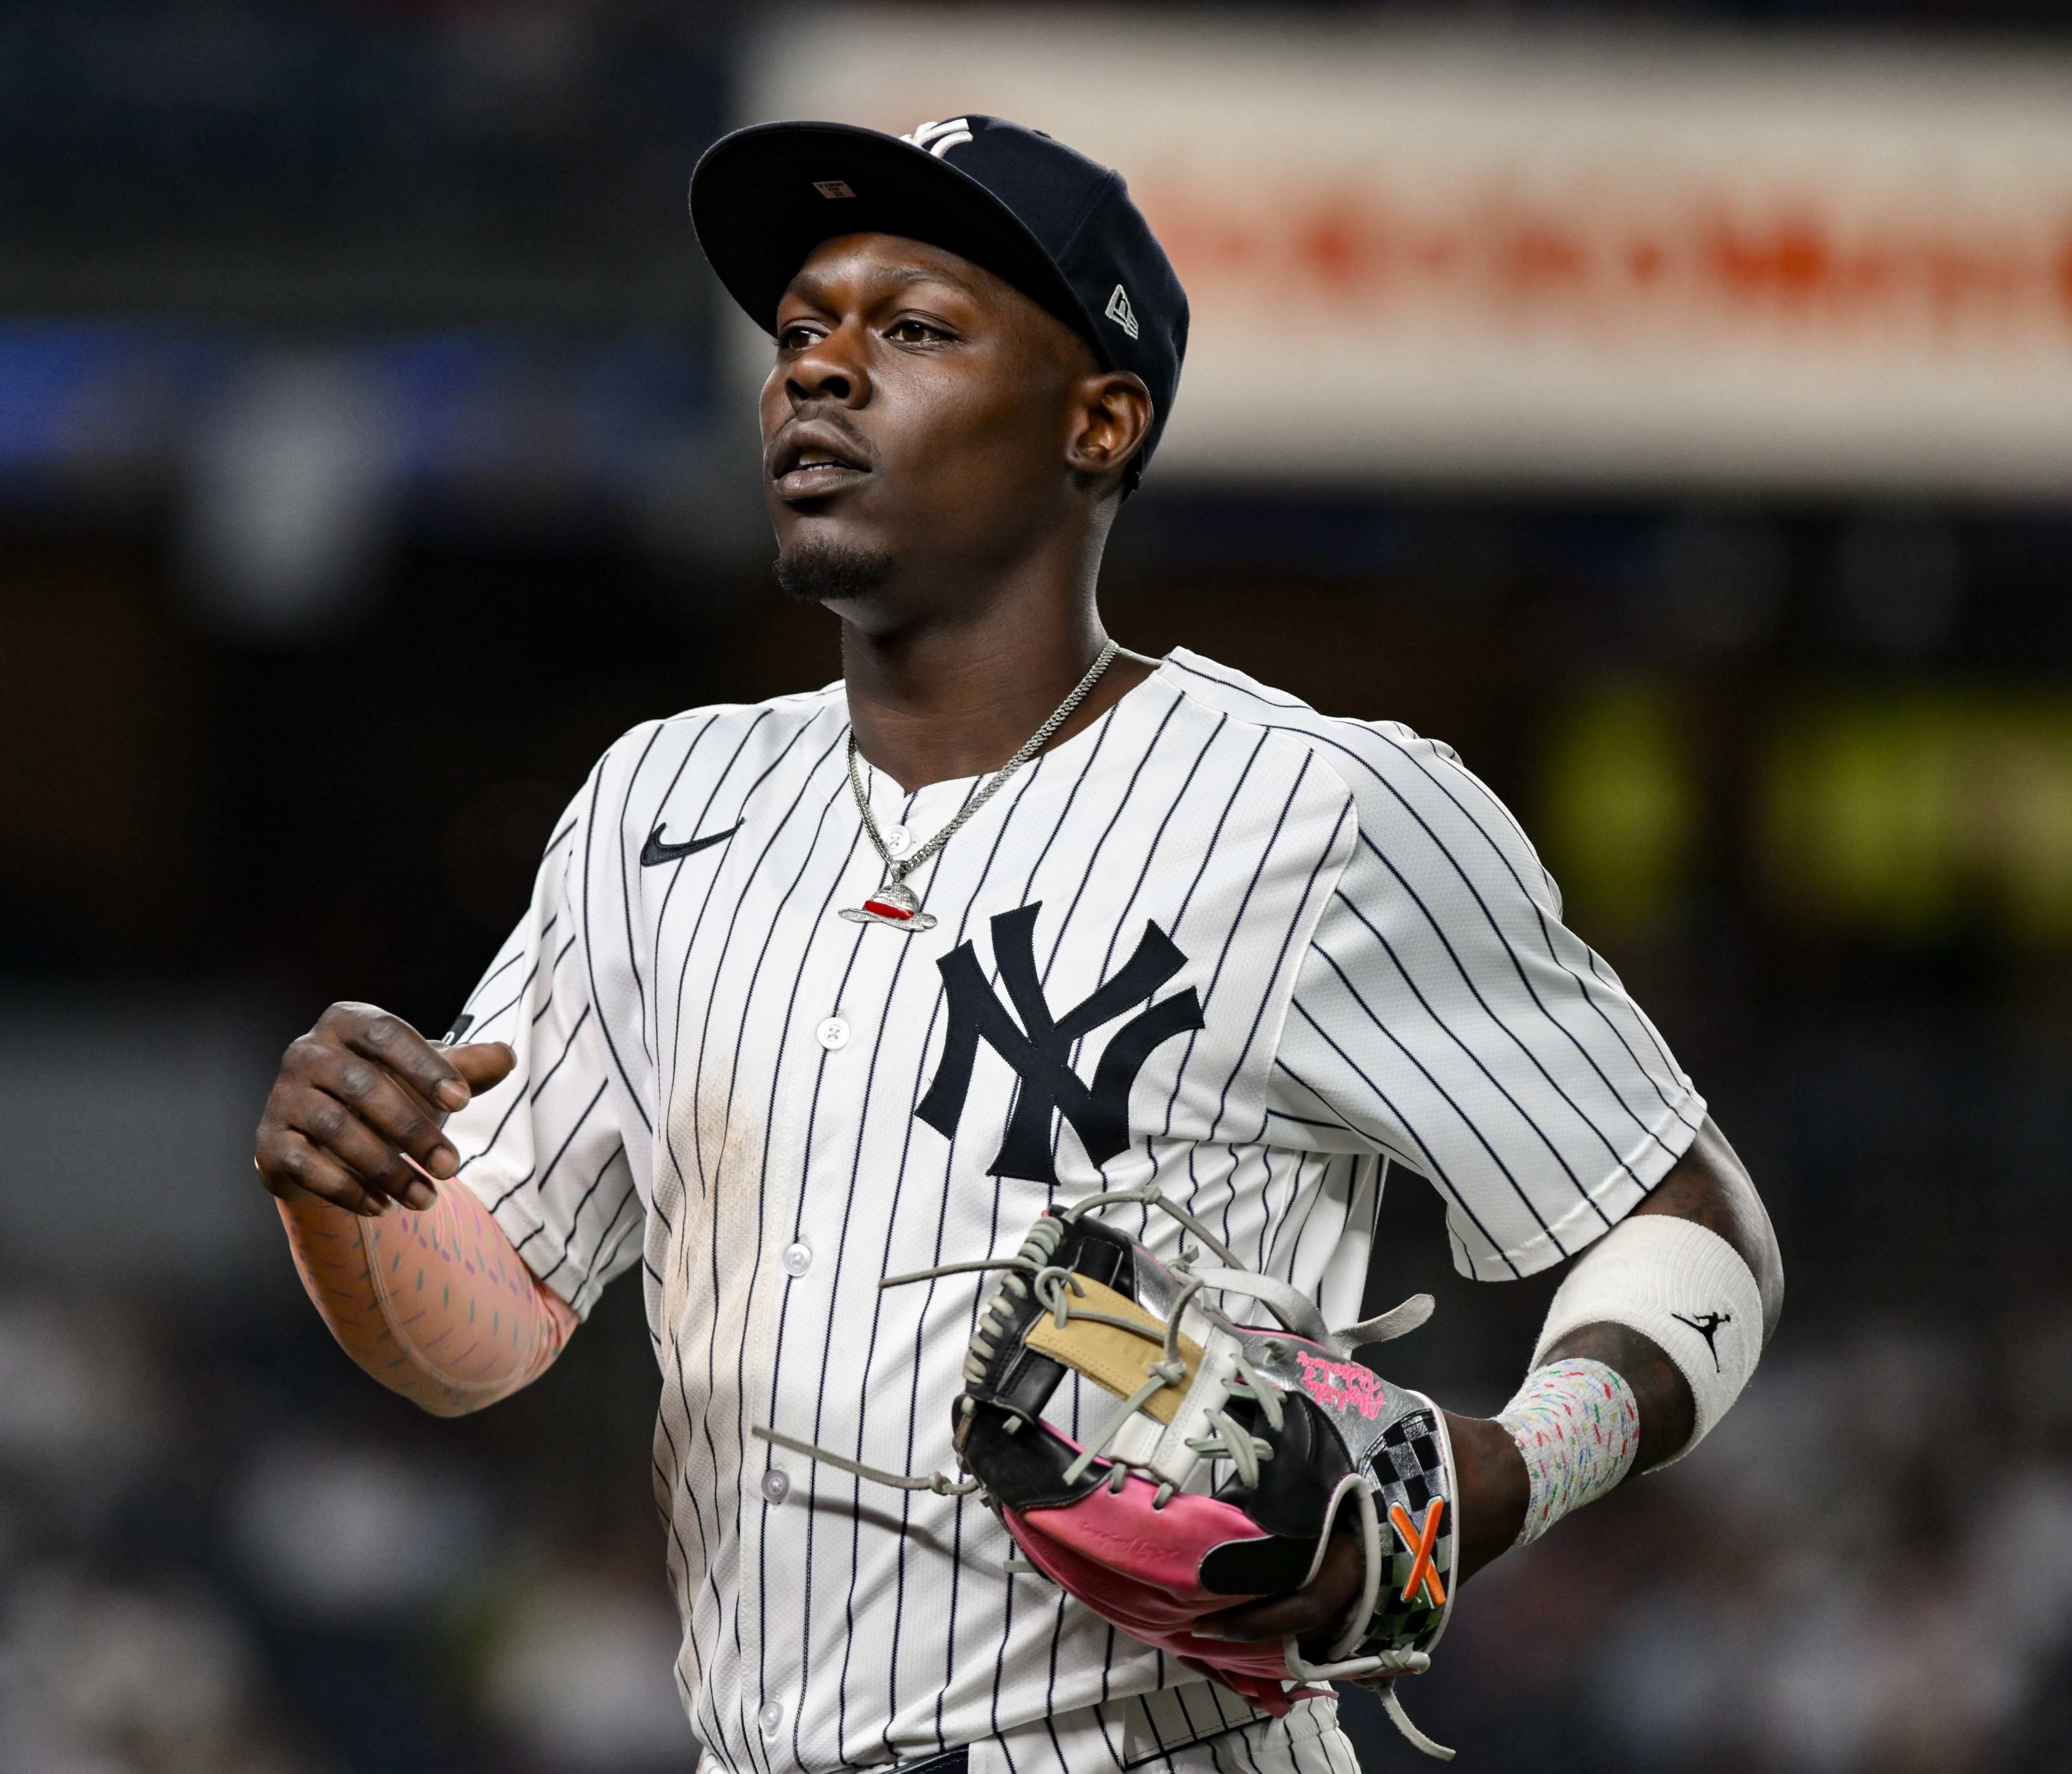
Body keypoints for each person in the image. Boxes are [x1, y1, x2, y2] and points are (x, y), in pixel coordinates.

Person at [253, 116, 1782, 1774]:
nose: (821, 374)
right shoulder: (655, 801)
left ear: (1099, 419)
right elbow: (484, 1335)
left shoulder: (1322, 810)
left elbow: (1695, 1225)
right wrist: (352, 1205)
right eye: (800, 333)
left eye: (910, 328)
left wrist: (1497, 1473)